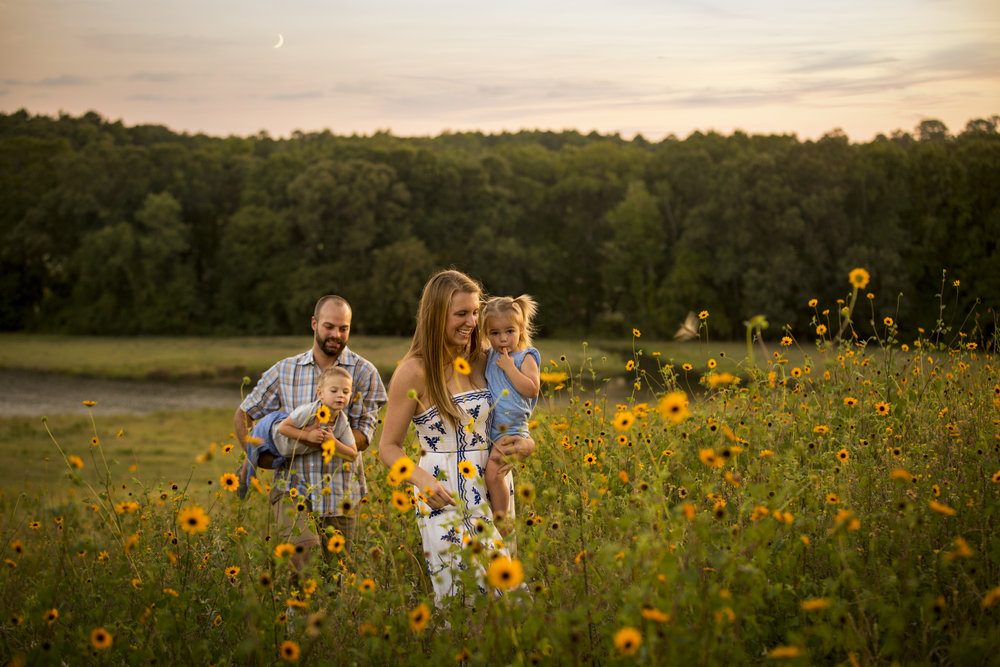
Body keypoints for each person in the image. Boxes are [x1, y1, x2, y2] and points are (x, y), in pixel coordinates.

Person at [377, 269, 536, 604]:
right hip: (443, 496)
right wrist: (421, 479)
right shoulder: (414, 371)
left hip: (495, 489)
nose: (472, 322)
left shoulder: (486, 360)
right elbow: (388, 447)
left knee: (507, 601)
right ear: (437, 316)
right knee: (467, 604)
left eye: (475, 312)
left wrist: (527, 444)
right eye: (461, 314)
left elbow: (517, 414)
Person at [234, 295, 387, 567]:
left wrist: (327, 440)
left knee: (336, 576)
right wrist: (259, 455)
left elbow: (364, 435)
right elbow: (245, 412)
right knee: (302, 560)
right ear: (314, 324)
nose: (336, 335)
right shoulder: (285, 370)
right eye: (329, 327)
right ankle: (297, 610)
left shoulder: (365, 372)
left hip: (340, 492)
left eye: (344, 328)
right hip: (293, 487)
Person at [481, 295, 541, 533]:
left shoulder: (524, 357)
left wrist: (510, 369)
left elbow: (532, 388)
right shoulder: (492, 356)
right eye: (494, 333)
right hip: (494, 429)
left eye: (509, 331)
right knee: (495, 474)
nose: (502, 338)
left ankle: (503, 520)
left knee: (494, 475)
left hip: (512, 429)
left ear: (521, 329)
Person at [253, 365, 358, 463]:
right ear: (320, 394)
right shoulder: (310, 411)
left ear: (351, 395)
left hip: (284, 454)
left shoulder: (342, 422)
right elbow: (282, 428)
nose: (340, 395)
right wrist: (307, 435)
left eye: (345, 392)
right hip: (271, 434)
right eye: (334, 391)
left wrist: (333, 442)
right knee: (251, 458)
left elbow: (353, 455)